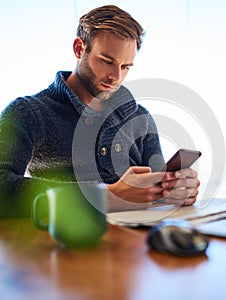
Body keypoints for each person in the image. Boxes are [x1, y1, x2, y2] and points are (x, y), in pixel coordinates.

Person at [0, 5, 200, 218]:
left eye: (125, 67)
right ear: (79, 49)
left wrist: (175, 191)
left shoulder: (141, 118)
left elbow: (153, 192)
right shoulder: (27, 113)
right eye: (107, 61)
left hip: (135, 245)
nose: (116, 77)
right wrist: (108, 195)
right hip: (65, 243)